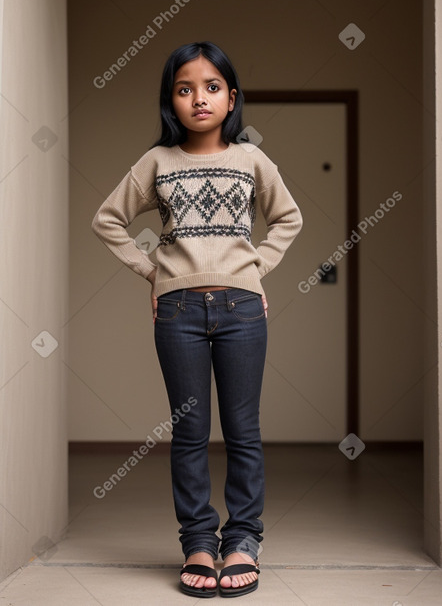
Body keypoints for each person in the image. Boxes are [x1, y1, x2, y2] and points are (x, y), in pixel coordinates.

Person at [91, 41, 303, 598]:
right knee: (188, 431)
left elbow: (287, 218)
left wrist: (255, 268)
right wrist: (153, 273)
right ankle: (198, 544)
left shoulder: (252, 160)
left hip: (241, 310)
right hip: (178, 312)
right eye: (185, 89)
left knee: (243, 431)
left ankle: (242, 542)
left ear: (231, 98)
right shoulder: (156, 162)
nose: (199, 99)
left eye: (211, 87)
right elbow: (108, 219)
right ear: (171, 101)